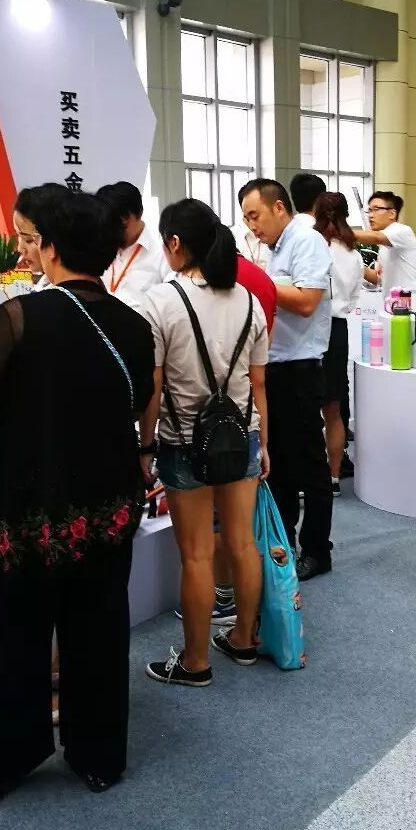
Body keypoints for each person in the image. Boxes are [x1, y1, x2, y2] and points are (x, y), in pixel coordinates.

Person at [0, 185, 154, 809]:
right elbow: (136, 402)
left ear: (51, 247)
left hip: (31, 502)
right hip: (107, 501)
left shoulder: (19, 317)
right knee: (100, 627)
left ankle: (1, 761)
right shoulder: (134, 324)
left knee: (21, 634)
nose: (23, 248)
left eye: (27, 237)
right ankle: (98, 755)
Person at [138, 199, 268, 688]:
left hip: (182, 442)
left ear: (175, 243)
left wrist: (145, 445)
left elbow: (152, 387)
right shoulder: (248, 301)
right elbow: (258, 384)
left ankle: (194, 662)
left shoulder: (160, 301)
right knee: (242, 543)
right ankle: (244, 639)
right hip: (242, 437)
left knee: (195, 555)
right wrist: (264, 442)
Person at [239, 178, 335, 581]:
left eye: (255, 215)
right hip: (275, 366)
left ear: (279, 207)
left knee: (309, 464)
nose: (252, 225)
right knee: (276, 463)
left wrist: (257, 283)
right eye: (246, 218)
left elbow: (308, 301)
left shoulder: (306, 240)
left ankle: (317, 549)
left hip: (299, 368)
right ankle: (284, 544)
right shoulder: (275, 247)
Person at [312, 191, 361, 498]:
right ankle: (333, 477)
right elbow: (355, 298)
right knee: (334, 409)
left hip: (310, 327)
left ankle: (309, 476)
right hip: (338, 330)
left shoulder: (312, 246)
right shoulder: (353, 254)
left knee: (306, 409)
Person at [96, 181, 169, 313]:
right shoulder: (99, 249)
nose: (116, 231)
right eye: (111, 225)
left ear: (139, 213)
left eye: (123, 225)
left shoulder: (162, 253)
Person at [354, 190, 416, 289]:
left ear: (392, 214)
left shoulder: (402, 231)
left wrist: (341, 232)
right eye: (370, 210)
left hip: (408, 298)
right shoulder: (385, 244)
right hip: (391, 299)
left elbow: (375, 237)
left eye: (376, 209)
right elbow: (380, 280)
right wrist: (356, 267)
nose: (371, 215)